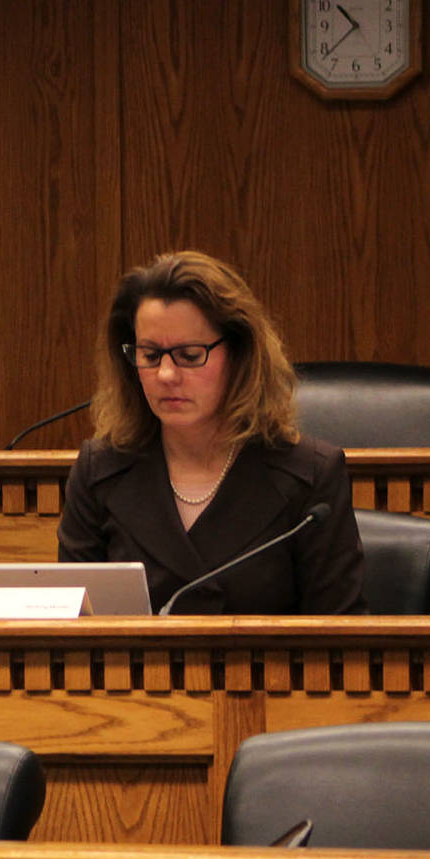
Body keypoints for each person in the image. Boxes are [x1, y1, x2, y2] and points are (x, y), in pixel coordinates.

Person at [58, 251, 365, 614]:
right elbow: (72, 635)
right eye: (151, 356)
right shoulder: (100, 471)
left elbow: (342, 642)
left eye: (190, 355)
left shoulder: (311, 477)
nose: (167, 375)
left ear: (239, 355)